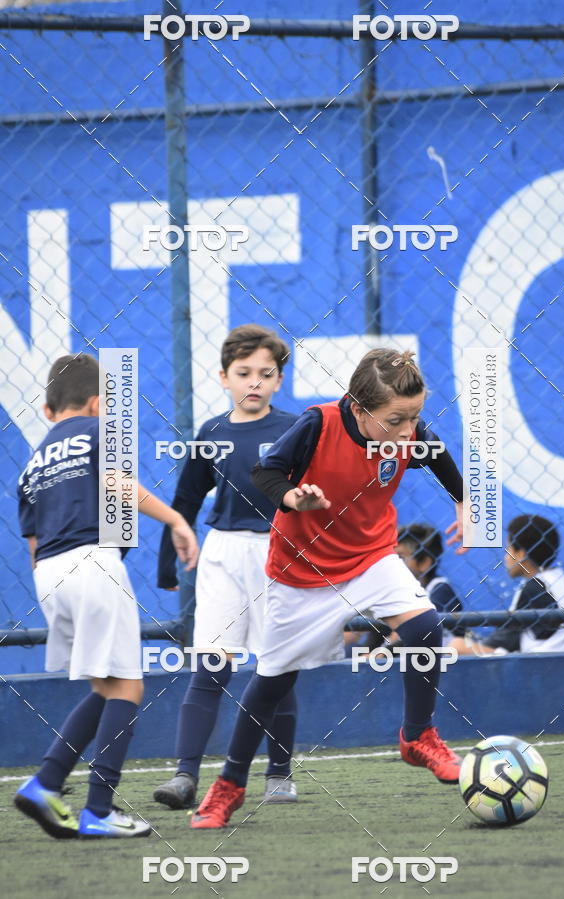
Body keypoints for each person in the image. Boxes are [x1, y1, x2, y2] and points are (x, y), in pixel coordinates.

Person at [193, 347, 468, 829]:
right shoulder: (317, 425)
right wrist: (294, 498)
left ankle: (418, 736)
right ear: (359, 410)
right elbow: (266, 473)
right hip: (302, 573)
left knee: (425, 624)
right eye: (397, 420)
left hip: (371, 556)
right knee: (273, 681)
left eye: (415, 416)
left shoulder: (406, 429)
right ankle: (229, 786)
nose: (409, 431)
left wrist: (465, 500)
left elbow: (437, 451)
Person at [14, 354, 198, 839]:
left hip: (49, 575)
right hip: (92, 564)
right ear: (98, 403)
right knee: (129, 686)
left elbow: (32, 540)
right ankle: (98, 808)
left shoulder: (33, 462)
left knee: (105, 687)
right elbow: (119, 485)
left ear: (48, 406)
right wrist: (176, 519)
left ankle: (47, 783)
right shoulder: (101, 432)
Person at [153, 324, 300, 818]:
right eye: (243, 373)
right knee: (210, 666)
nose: (254, 382)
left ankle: (278, 774)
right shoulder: (211, 433)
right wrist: (167, 561)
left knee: (276, 668)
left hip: (280, 555)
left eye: (265, 373)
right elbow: (187, 499)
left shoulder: (296, 429)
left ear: (279, 380)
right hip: (222, 555)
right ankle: (185, 775)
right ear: (223, 377)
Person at [450, 515, 564, 656]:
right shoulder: (559, 580)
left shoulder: (535, 588)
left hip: (548, 670)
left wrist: (464, 645)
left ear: (520, 554)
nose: (505, 557)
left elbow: (501, 643)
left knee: (457, 646)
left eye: (509, 549)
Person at [396, 524, 465, 645]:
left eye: (400, 557)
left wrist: (381, 654)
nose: (392, 564)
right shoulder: (396, 593)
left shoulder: (439, 590)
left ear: (424, 563)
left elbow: (422, 633)